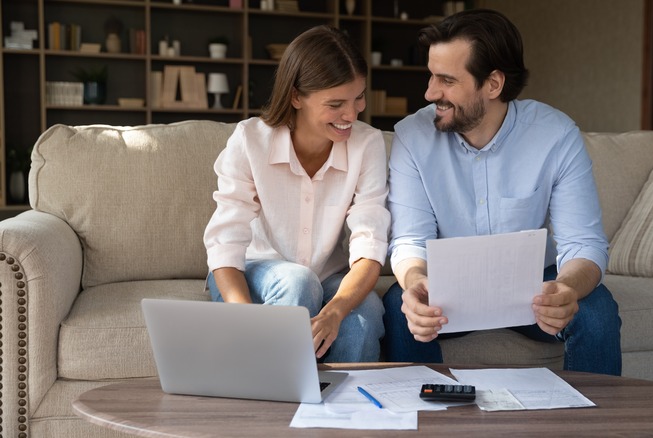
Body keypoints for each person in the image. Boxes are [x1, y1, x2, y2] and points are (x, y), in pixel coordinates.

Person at [382, 9, 622, 375]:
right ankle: (422, 412)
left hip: (533, 287)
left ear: (493, 84)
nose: (430, 93)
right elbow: (410, 240)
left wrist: (567, 288)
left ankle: (594, 414)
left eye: (447, 80)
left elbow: (584, 243)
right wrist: (416, 282)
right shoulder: (412, 137)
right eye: (431, 75)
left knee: (598, 312)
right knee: (399, 306)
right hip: (447, 287)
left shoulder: (556, 136)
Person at [203, 25, 390, 363]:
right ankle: (275, 391)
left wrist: (335, 311)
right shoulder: (250, 140)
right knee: (298, 282)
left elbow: (370, 242)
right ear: (296, 97)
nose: (352, 114)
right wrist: (243, 319)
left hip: (327, 276)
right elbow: (225, 241)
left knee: (366, 310)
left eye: (358, 97)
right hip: (250, 271)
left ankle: (345, 398)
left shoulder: (368, 144)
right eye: (336, 104)